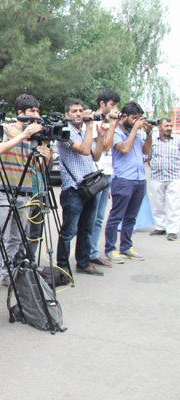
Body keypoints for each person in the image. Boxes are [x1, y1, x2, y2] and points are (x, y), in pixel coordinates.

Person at [0, 94, 52, 294]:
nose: (36, 115)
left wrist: (45, 156)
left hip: (27, 192)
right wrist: (23, 136)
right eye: (32, 111)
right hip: (6, 191)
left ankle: (7, 273)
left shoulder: (36, 136)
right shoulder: (7, 129)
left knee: (17, 238)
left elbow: (38, 169)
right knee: (1, 236)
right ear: (20, 113)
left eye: (37, 111)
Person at [56, 99, 105, 276]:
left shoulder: (85, 131)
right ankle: (62, 266)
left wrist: (99, 137)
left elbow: (96, 156)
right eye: (74, 111)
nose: (78, 114)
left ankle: (83, 263)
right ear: (66, 115)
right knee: (69, 231)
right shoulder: (64, 132)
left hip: (90, 186)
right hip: (73, 189)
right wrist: (90, 126)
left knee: (87, 229)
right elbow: (84, 150)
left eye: (81, 110)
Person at [104, 101, 152, 263]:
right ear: (124, 116)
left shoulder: (136, 132)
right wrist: (136, 130)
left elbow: (146, 151)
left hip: (139, 179)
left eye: (138, 118)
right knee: (116, 216)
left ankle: (126, 246)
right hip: (124, 179)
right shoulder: (117, 132)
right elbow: (124, 148)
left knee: (131, 217)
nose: (136, 121)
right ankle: (110, 249)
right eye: (133, 118)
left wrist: (149, 134)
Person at [89, 89, 120, 267]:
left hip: (107, 172)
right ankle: (87, 253)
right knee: (92, 217)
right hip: (96, 173)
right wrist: (113, 125)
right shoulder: (94, 121)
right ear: (102, 103)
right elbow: (106, 146)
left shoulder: (108, 121)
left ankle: (93, 252)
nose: (114, 109)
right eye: (112, 105)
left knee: (100, 217)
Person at [148, 118, 180, 241]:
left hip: (174, 177)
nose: (169, 128)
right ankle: (161, 226)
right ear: (160, 127)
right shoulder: (153, 141)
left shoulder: (177, 140)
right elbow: (148, 157)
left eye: (171, 125)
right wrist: (155, 167)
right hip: (157, 177)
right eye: (166, 126)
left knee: (173, 204)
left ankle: (172, 230)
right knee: (158, 203)